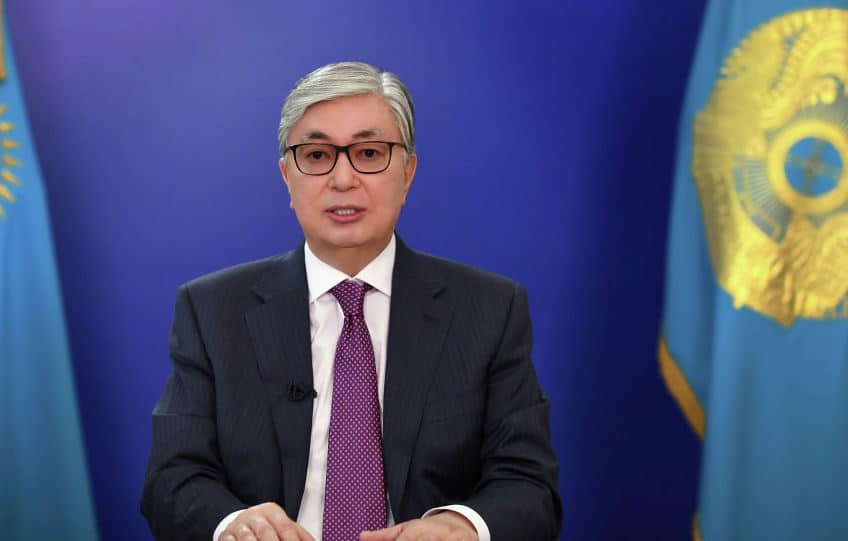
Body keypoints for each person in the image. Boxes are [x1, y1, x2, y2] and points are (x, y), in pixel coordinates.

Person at [141, 61, 561, 541]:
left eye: (369, 153)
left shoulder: (488, 310)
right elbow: (171, 479)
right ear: (287, 177)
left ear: (408, 173)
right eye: (317, 155)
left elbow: (529, 485)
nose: (343, 179)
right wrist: (232, 524)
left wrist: (462, 526)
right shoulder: (213, 310)